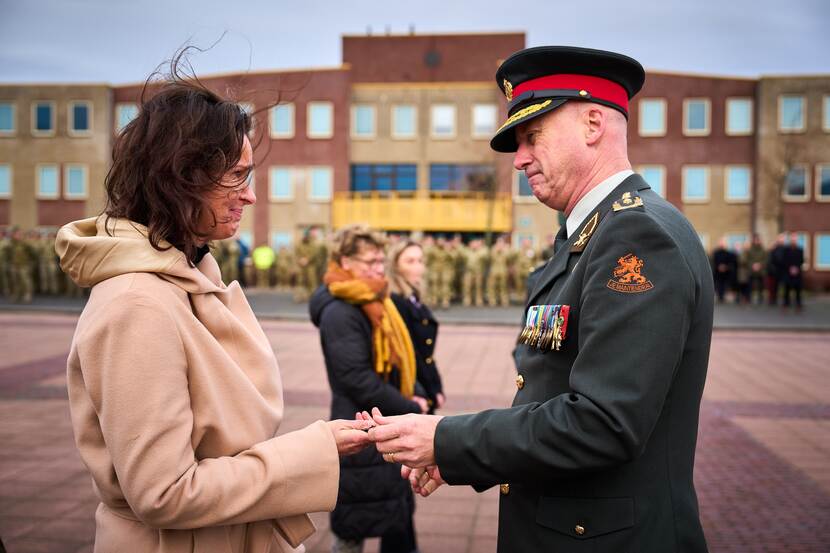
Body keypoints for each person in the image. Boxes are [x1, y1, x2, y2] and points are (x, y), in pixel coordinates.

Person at [366, 46, 714, 553]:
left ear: (593, 123)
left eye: (533, 137)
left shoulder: (635, 236)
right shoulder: (590, 233)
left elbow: (603, 422)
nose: (519, 159)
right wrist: (462, 455)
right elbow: (549, 393)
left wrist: (447, 439)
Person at [54, 58, 371, 553]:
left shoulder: (187, 278)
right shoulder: (138, 304)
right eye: (235, 177)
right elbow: (164, 494)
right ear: (180, 178)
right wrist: (315, 448)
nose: (249, 195)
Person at [309, 225, 428, 553]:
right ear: (345, 261)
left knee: (394, 516)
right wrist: (411, 405)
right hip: (358, 426)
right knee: (352, 528)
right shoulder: (341, 310)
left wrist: (413, 391)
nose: (379, 268)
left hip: (380, 420)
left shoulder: (375, 297)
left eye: (381, 260)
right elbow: (355, 377)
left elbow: (399, 360)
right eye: (371, 261)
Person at [387, 239, 446, 414]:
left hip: (424, 381)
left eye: (420, 261)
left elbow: (426, 353)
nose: (418, 267)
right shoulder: (395, 301)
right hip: (412, 388)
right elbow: (409, 352)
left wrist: (436, 387)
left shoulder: (412, 297)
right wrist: (425, 390)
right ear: (395, 266)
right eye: (410, 261)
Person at [782, 232, 804, 310]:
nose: (794, 239)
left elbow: (801, 260)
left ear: (797, 239)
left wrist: (796, 268)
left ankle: (798, 304)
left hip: (797, 273)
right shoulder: (786, 250)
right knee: (787, 289)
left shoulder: (800, 250)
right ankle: (786, 304)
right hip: (788, 272)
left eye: (795, 238)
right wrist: (790, 268)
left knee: (798, 289)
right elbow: (784, 260)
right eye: (792, 238)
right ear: (790, 239)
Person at [742, 234, 767, 304]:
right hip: (751, 271)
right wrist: (753, 265)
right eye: (755, 240)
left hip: (761, 271)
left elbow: (765, 260)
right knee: (750, 286)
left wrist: (760, 265)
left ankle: (760, 299)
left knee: (761, 286)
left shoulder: (763, 250)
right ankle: (749, 298)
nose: (757, 241)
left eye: (758, 240)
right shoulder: (750, 250)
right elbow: (748, 260)